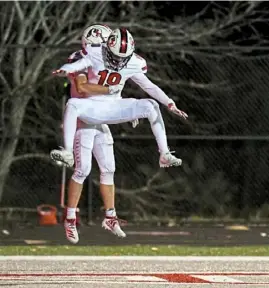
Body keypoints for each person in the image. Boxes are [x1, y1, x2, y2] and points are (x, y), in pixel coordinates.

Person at [51, 28, 188, 172]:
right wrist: (65, 69)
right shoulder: (96, 52)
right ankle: (67, 152)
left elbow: (149, 86)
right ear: (107, 47)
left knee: (151, 105)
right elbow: (77, 65)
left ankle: (165, 153)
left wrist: (169, 102)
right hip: (93, 106)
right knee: (72, 104)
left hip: (115, 105)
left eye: (124, 57)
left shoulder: (135, 62)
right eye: (116, 56)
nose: (119, 61)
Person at [57, 24, 133, 244]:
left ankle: (110, 216)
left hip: (99, 118)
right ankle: (70, 217)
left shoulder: (107, 61)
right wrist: (111, 89)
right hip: (83, 118)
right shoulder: (80, 58)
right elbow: (83, 88)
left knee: (109, 168)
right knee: (83, 169)